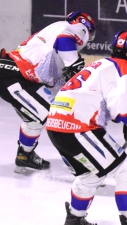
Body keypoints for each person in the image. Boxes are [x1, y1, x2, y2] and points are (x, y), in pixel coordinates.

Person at [46, 31, 127, 225]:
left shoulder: (100, 64)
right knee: (126, 169)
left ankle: (74, 220)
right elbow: (124, 112)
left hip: (55, 125)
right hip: (78, 127)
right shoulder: (125, 68)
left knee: (90, 174)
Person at [0, 11, 95, 174]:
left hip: (18, 75)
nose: (87, 37)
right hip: (13, 74)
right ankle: (81, 168)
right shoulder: (75, 28)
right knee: (54, 117)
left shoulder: (56, 34)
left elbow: (60, 84)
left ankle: (25, 156)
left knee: (37, 118)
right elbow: (65, 39)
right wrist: (74, 65)